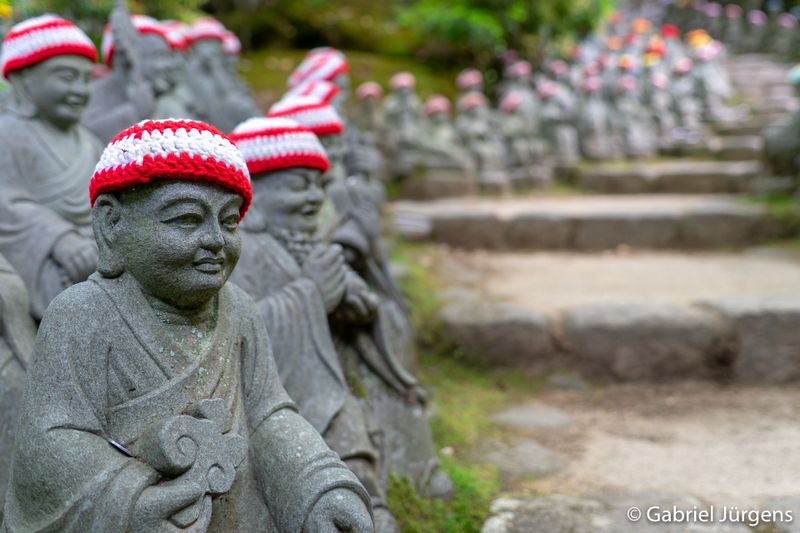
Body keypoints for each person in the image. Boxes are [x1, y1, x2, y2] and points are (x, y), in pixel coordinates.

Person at [1, 119, 373, 533]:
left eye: (229, 222)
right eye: (186, 219)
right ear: (111, 224)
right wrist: (137, 499)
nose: (216, 239)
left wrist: (319, 486)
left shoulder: (240, 311)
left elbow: (269, 416)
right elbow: (49, 444)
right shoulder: (80, 314)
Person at [229, 117, 398, 532]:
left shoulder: (307, 246)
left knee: (352, 434)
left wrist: (351, 303)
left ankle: (369, 504)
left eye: (319, 187)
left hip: (324, 384)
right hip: (270, 399)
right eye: (298, 185)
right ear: (253, 194)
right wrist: (311, 297)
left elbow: (350, 298)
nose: (313, 199)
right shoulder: (241, 253)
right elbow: (232, 334)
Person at [0, 14, 102, 319]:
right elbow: (5, 203)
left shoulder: (91, 142)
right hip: (43, 260)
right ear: (24, 80)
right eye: (67, 77)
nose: (81, 90)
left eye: (87, 79)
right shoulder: (8, 135)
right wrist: (59, 238)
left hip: (97, 256)